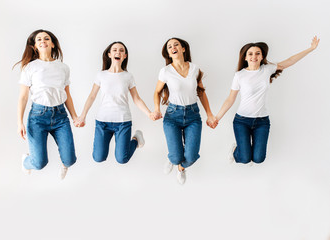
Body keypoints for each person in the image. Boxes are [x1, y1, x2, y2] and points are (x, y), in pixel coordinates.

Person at [214, 36, 320, 165]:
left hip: (262, 121)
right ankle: (236, 150)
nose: (254, 56)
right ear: (245, 57)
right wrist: (217, 118)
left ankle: (244, 149)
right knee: (245, 158)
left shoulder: (267, 69)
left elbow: (290, 61)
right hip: (242, 121)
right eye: (251, 54)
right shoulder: (240, 75)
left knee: (258, 159)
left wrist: (310, 49)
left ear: (262, 56)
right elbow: (230, 99)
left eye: (258, 53)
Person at [75, 41, 154, 164]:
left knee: (122, 159)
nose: (118, 52)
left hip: (123, 122)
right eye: (115, 50)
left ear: (125, 56)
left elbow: (136, 98)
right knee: (98, 157)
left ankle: (136, 140)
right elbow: (92, 96)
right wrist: (82, 116)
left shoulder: (128, 76)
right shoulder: (101, 75)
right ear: (109, 54)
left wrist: (149, 113)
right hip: (102, 122)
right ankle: (134, 140)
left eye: (121, 50)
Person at [152, 37, 217, 185]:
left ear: (183, 49)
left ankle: (181, 168)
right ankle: (172, 160)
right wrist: (156, 109)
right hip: (172, 116)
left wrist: (210, 114)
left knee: (192, 156)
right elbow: (157, 92)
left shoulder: (195, 69)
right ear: (168, 53)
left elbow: (201, 92)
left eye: (176, 45)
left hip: (193, 116)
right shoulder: (165, 71)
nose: (173, 47)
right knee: (175, 157)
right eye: (169, 46)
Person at [16, 29, 79, 179]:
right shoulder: (30, 67)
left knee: (70, 160)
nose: (43, 41)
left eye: (46, 38)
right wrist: (19, 122)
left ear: (52, 44)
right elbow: (23, 97)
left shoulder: (63, 67)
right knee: (39, 163)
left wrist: (75, 117)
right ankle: (26, 161)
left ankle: (65, 164)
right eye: (39, 40)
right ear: (35, 46)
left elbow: (67, 95)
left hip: (60, 116)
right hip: (38, 117)